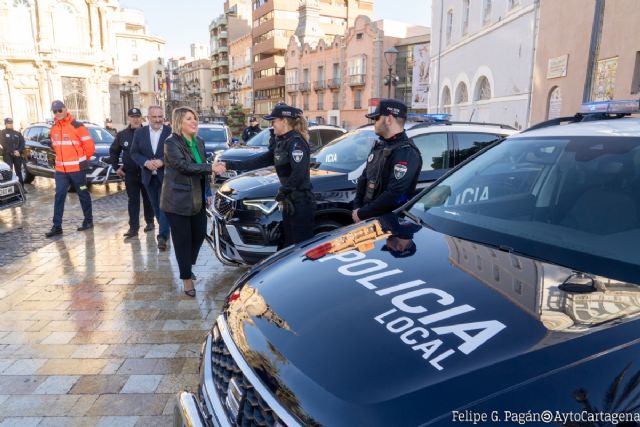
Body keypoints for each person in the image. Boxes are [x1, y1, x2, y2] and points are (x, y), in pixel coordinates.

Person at [221, 103, 314, 246]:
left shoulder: (296, 143)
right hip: (290, 202)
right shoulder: (282, 142)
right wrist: (228, 165)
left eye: (273, 121)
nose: (272, 125)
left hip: (300, 202)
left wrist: (283, 191)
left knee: (300, 247)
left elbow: (299, 174)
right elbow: (258, 161)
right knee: (289, 244)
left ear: (284, 121)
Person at [161, 106, 226, 296]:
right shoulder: (171, 142)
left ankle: (186, 265)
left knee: (198, 235)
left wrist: (207, 192)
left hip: (197, 198)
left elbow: (202, 172)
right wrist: (211, 167)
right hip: (177, 199)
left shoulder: (199, 141)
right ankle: (187, 279)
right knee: (182, 241)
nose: (194, 122)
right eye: (189, 119)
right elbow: (183, 166)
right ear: (179, 122)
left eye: (195, 118)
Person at [352, 99, 422, 223]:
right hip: (369, 220)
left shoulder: (406, 152)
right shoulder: (380, 146)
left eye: (377, 118)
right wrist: (357, 208)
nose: (374, 122)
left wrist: (363, 213)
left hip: (389, 226)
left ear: (389, 119)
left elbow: (394, 194)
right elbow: (364, 179)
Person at [45, 100, 95, 237]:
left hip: (77, 170)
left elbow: (90, 148)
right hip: (61, 171)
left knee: (83, 194)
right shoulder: (54, 128)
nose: (57, 113)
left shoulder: (78, 126)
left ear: (65, 109)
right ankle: (57, 226)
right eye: (54, 111)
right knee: (59, 196)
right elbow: (56, 146)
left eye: (59, 110)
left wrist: (82, 162)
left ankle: (88, 221)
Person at [130, 105, 172, 250]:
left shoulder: (170, 132)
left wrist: (162, 161)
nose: (158, 120)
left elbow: (175, 152)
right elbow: (134, 153)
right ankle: (165, 229)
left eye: (160, 116)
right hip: (148, 176)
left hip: (166, 176)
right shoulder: (139, 133)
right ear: (148, 118)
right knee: (155, 207)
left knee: (164, 206)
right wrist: (146, 162)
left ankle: (163, 236)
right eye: (154, 117)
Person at [109, 107, 155, 239]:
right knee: (133, 201)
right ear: (129, 118)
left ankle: (150, 222)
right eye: (132, 117)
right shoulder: (122, 134)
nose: (135, 119)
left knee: (148, 199)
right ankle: (133, 228)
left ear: (142, 118)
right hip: (130, 174)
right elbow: (114, 151)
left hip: (146, 172)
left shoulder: (148, 132)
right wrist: (116, 167)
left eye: (138, 117)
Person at [0, 117, 26, 191]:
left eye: (11, 123)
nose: (10, 124)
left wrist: (19, 151)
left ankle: (21, 188)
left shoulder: (17, 133)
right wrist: (12, 151)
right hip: (8, 155)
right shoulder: (2, 133)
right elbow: (3, 144)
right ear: (5, 124)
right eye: (8, 123)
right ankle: (9, 190)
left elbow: (22, 142)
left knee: (19, 171)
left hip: (17, 155)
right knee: (8, 172)